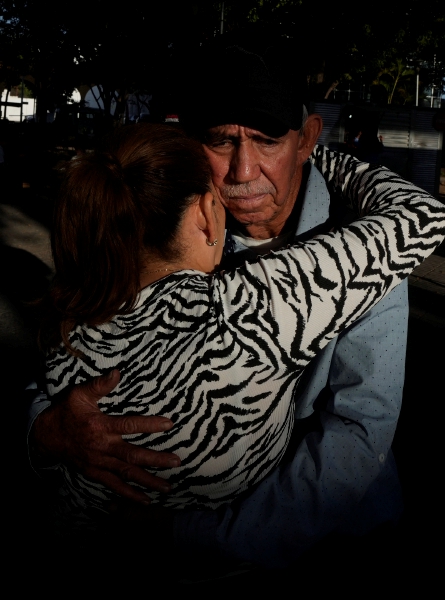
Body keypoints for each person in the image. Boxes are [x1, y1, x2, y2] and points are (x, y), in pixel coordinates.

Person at [28, 38, 445, 564]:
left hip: (337, 541)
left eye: (268, 140)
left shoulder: (367, 246)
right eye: (222, 141)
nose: (244, 171)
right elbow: (69, 351)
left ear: (306, 138)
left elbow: (358, 434)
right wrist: (47, 431)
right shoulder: (156, 222)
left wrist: (195, 536)